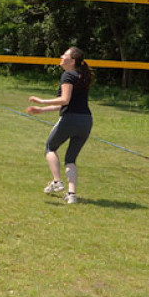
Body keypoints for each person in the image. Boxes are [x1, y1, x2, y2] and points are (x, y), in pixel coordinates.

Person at [26, 47, 93, 204]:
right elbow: (62, 105)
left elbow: (64, 100)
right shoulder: (82, 76)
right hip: (86, 121)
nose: (61, 57)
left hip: (71, 120)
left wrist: (41, 101)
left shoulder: (68, 75)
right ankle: (72, 195)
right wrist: (41, 110)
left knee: (50, 147)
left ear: (72, 61)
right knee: (70, 159)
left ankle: (57, 182)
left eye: (65, 55)